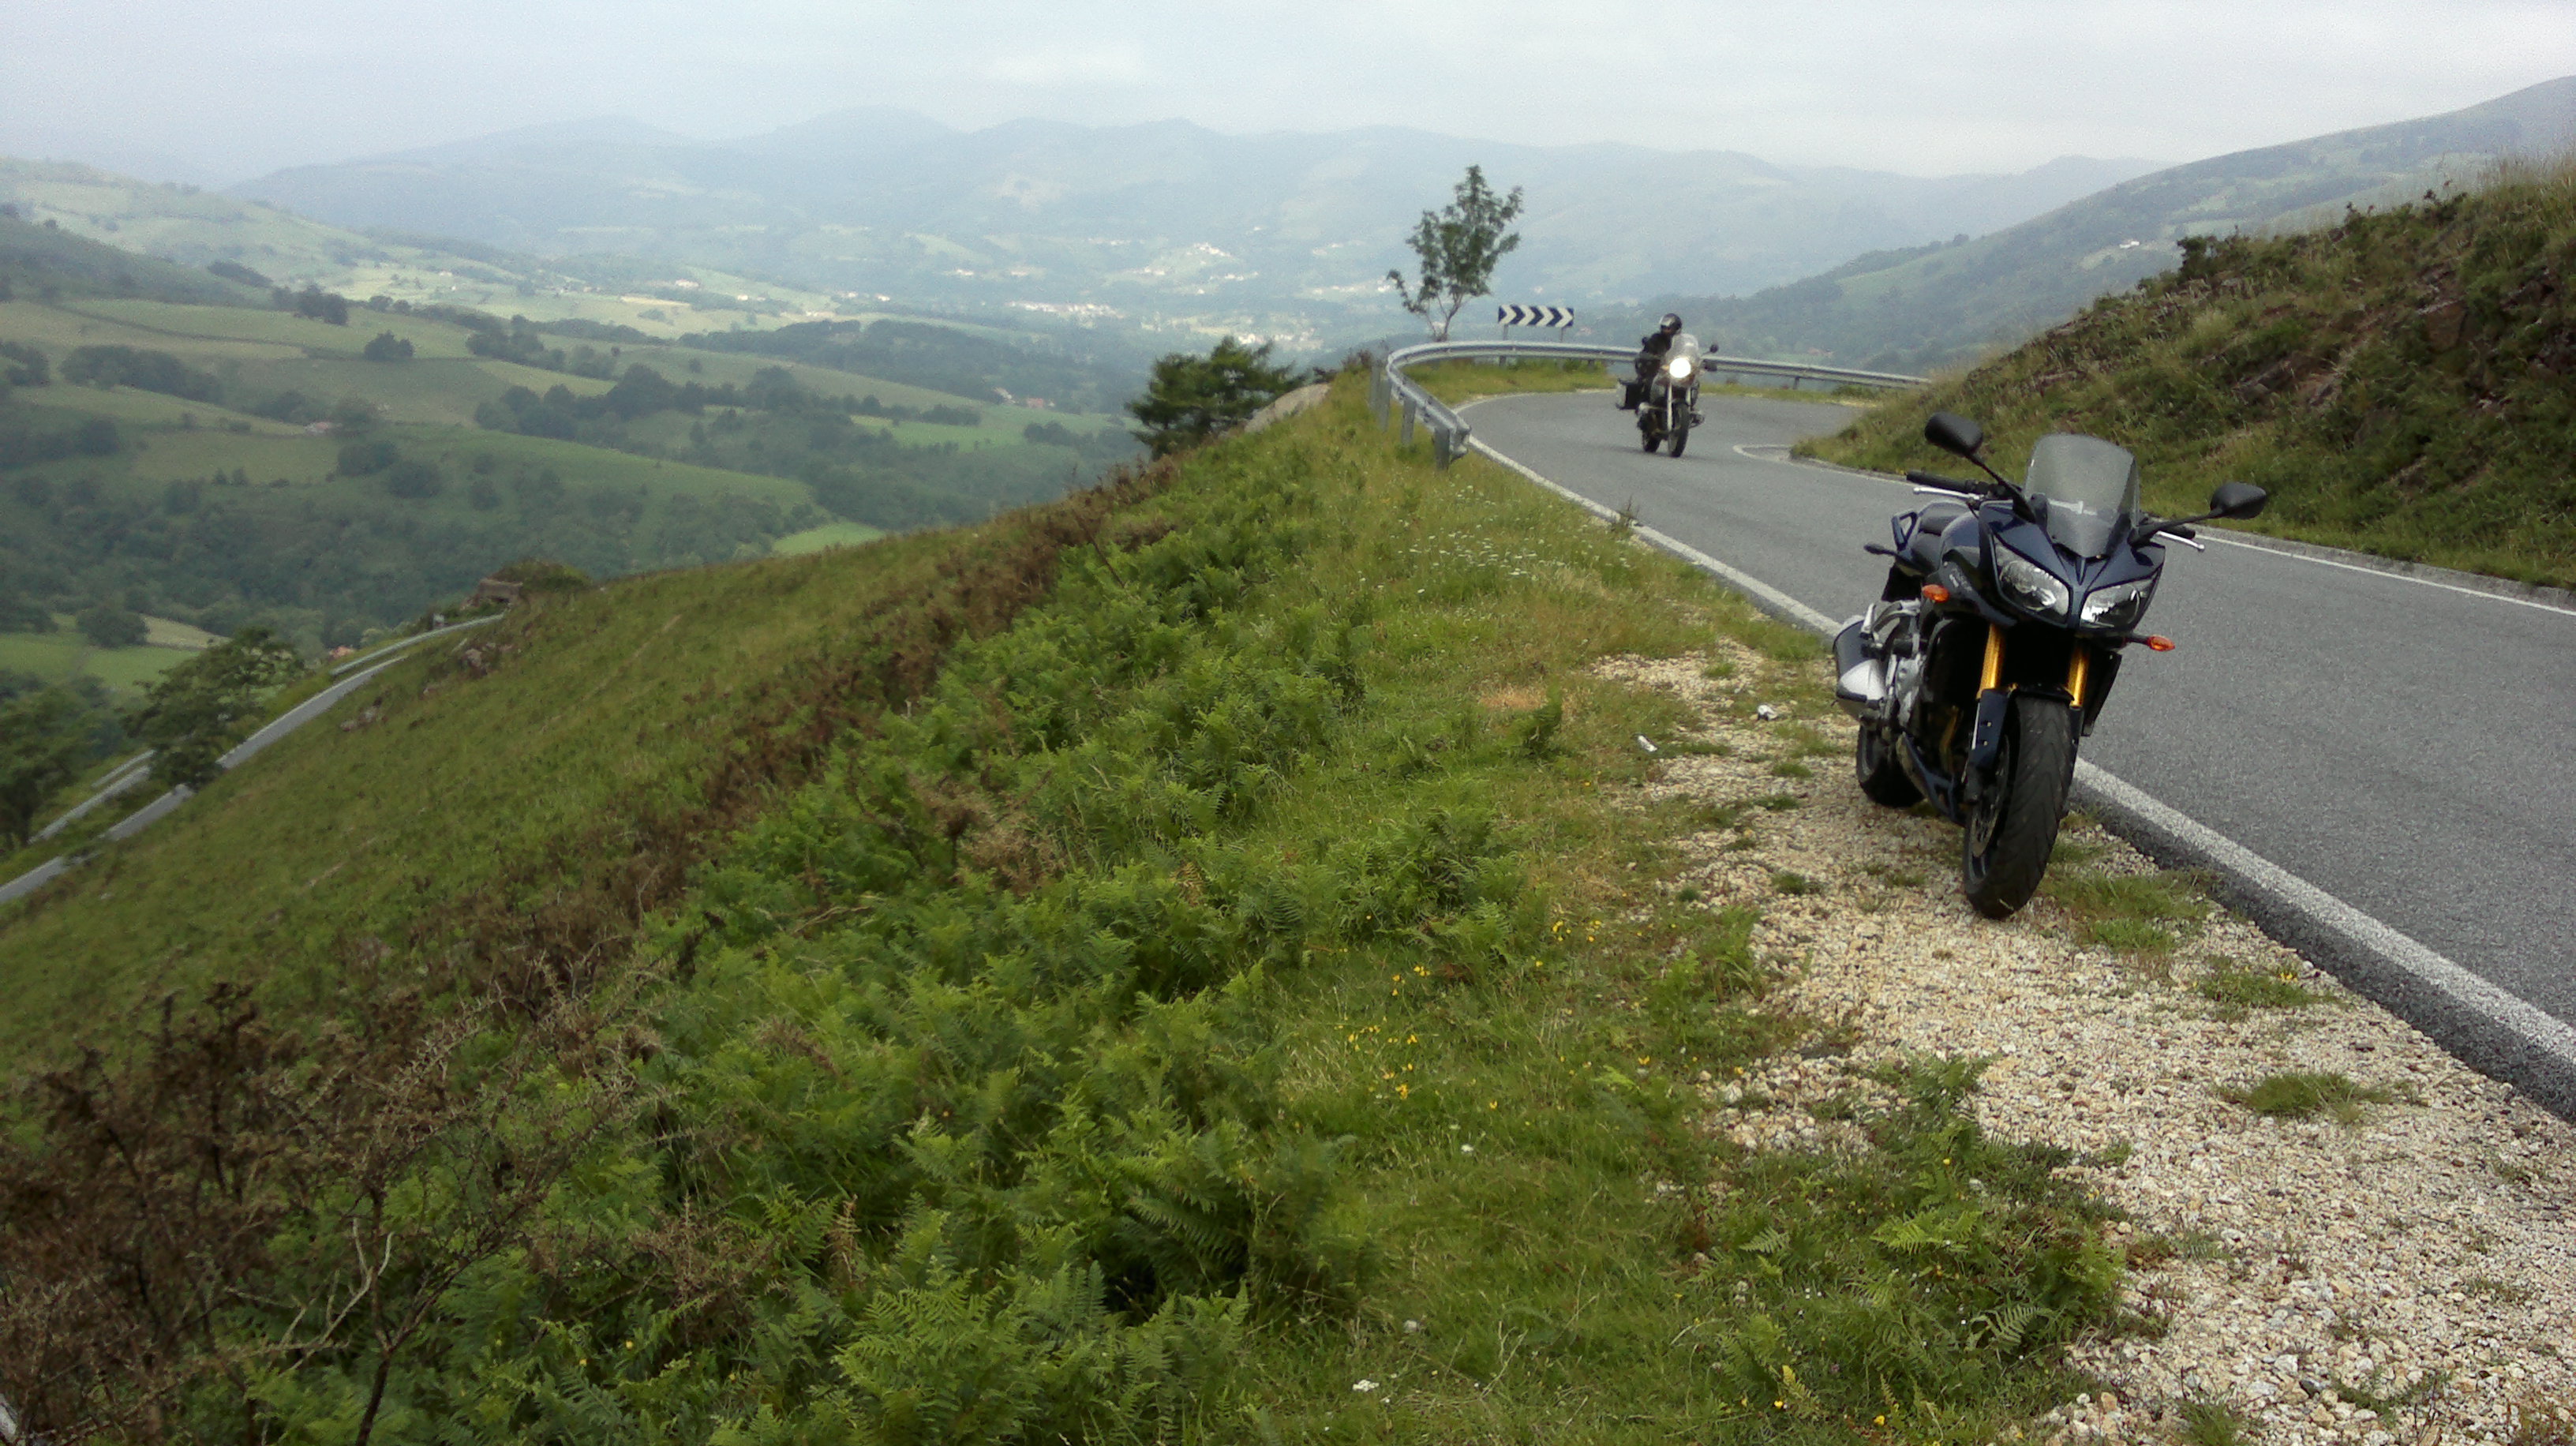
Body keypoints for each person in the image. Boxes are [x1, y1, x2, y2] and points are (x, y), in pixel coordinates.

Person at [1621, 313, 1685, 410]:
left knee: (1692, 382)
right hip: (1659, 370)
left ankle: (1688, 404)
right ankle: (1647, 406)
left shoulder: (1682, 341)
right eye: (1664, 328)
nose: (1666, 330)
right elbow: (1647, 351)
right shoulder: (1656, 338)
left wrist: (1700, 362)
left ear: (1676, 328)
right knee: (1650, 382)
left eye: (1669, 328)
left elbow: (1689, 354)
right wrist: (1650, 356)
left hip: (1676, 370)